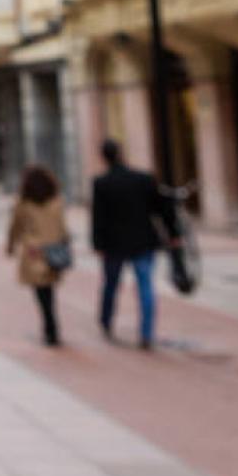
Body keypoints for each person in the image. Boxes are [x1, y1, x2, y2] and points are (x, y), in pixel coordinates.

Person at [91, 139, 180, 350]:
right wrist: (173, 233)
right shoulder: (144, 179)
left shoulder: (101, 183)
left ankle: (105, 321)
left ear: (103, 157)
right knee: (145, 287)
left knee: (111, 285)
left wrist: (97, 244)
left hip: (114, 245)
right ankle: (146, 333)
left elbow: (98, 217)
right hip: (142, 241)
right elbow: (163, 208)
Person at [5, 164, 69, 346]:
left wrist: (10, 245)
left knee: (41, 291)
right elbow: (62, 225)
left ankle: (50, 328)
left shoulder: (23, 202)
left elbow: (15, 226)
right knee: (48, 289)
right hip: (53, 248)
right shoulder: (56, 200)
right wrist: (64, 241)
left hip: (34, 251)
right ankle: (51, 328)